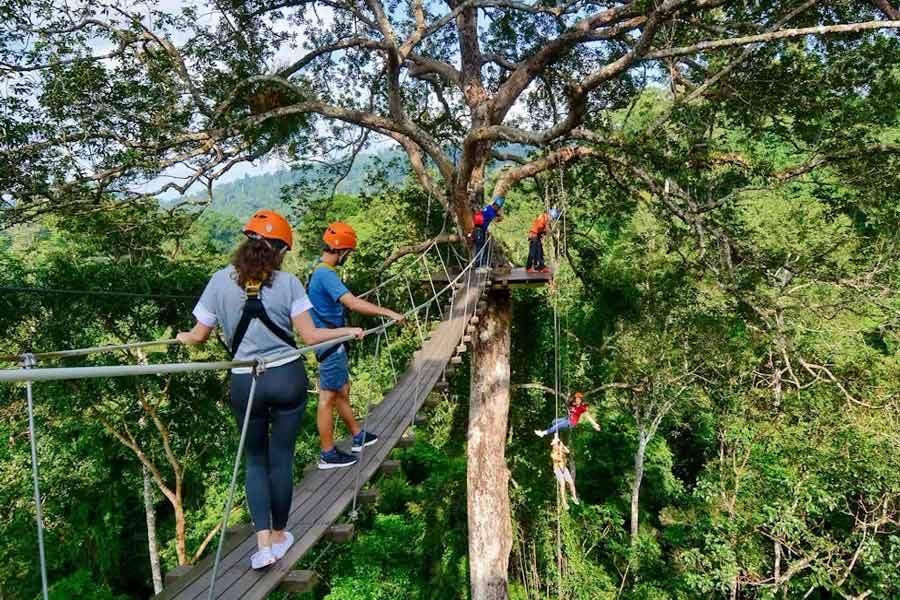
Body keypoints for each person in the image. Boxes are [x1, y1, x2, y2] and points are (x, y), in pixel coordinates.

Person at [176, 210, 364, 570]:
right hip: (286, 378)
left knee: (255, 461)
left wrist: (183, 337)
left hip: (245, 382)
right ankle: (280, 536)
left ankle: (263, 546)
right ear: (279, 250)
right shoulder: (289, 283)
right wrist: (347, 331)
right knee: (280, 459)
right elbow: (310, 336)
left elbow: (198, 336)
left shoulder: (219, 281)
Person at [309, 222, 405, 470]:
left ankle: (357, 435)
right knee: (328, 397)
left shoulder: (320, 270)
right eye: (348, 253)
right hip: (330, 342)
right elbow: (351, 303)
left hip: (334, 341)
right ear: (341, 250)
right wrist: (388, 312)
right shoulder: (326, 274)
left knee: (342, 389)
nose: (348, 257)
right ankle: (327, 453)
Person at [534, 391, 601, 437]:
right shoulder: (573, 404)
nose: (577, 400)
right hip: (567, 418)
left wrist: (595, 424)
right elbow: (568, 405)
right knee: (554, 421)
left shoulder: (582, 408)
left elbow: (588, 417)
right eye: (576, 399)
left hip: (571, 423)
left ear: (581, 400)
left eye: (579, 399)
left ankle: (543, 433)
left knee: (557, 426)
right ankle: (555, 433)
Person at [526, 207, 559, 273]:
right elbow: (541, 228)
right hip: (533, 236)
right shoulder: (542, 218)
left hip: (537, 236)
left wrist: (546, 232)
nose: (551, 220)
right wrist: (548, 232)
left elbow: (543, 230)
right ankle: (528, 267)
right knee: (532, 253)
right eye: (552, 218)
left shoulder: (545, 218)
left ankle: (542, 266)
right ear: (550, 215)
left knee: (540, 252)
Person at [475, 196, 504, 268]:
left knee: (485, 248)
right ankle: (478, 267)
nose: (498, 209)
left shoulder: (488, 208)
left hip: (481, 230)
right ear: (495, 205)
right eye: (498, 208)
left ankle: (484, 265)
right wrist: (500, 217)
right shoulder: (491, 211)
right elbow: (496, 220)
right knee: (480, 248)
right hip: (479, 231)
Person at [550, 436, 579, 508]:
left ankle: (574, 497)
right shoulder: (552, 453)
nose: (555, 446)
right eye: (554, 445)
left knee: (571, 483)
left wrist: (562, 445)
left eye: (557, 444)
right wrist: (560, 450)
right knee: (562, 484)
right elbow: (559, 458)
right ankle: (564, 502)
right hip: (558, 470)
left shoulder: (561, 449)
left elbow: (568, 451)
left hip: (564, 469)